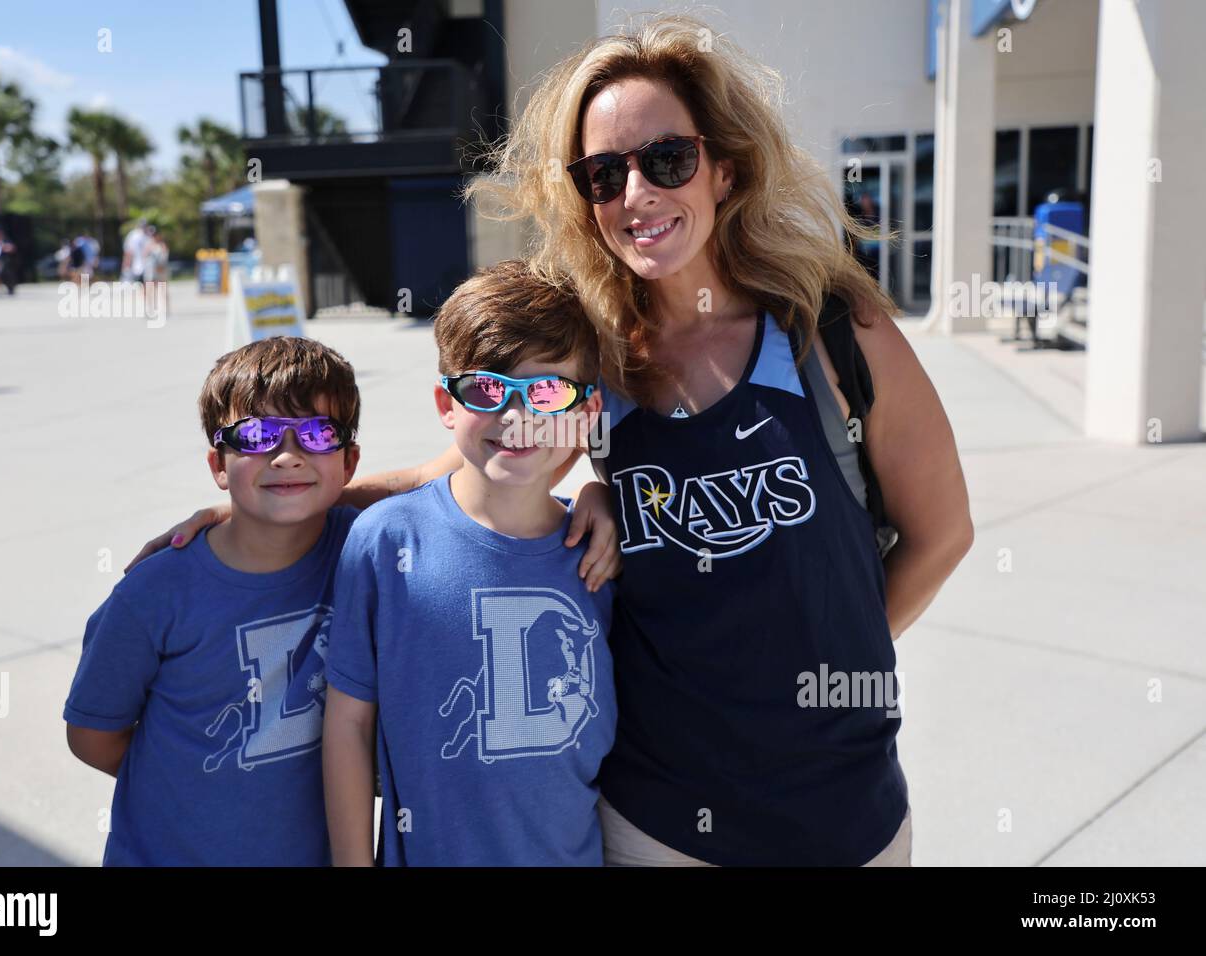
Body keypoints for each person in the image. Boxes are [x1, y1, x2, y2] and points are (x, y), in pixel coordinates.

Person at [129, 13, 973, 867]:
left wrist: (828, 678)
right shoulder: (599, 362)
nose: (636, 192)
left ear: (723, 170)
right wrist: (276, 501)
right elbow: (460, 468)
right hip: (657, 822)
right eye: (604, 174)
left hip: (845, 813)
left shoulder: (831, 332)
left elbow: (943, 533)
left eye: (667, 160)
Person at [322, 259, 616, 866]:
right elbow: (349, 725)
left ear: (586, 413)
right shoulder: (386, 542)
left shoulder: (602, 553)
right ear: (446, 404)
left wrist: (601, 492)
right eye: (487, 388)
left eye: (547, 391)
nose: (516, 416)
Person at [63, 336, 363, 865]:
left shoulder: (365, 547)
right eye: (256, 435)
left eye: (318, 433)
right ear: (218, 465)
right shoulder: (154, 593)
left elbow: (456, 481)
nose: (288, 456)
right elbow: (93, 735)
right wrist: (194, 779)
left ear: (349, 461)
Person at [121, 218, 148, 284]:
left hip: (144, 266)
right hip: (137, 266)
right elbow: (129, 252)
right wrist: (126, 265)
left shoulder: (146, 235)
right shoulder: (134, 235)